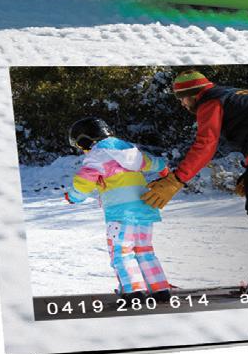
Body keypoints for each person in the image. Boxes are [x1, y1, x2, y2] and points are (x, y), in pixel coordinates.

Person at [142, 71, 248, 292]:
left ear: (192, 94)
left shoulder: (209, 102)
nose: (182, 104)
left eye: (182, 98)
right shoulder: (230, 94)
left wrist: (177, 179)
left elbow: (206, 145)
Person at [65, 117, 172, 297]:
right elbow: (150, 162)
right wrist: (163, 168)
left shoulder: (97, 155)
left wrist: (74, 196)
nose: (83, 151)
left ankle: (133, 291)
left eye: (80, 146)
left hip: (120, 214)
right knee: (144, 251)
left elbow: (85, 181)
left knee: (122, 253)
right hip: (144, 209)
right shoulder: (128, 150)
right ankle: (160, 289)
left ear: (85, 141)